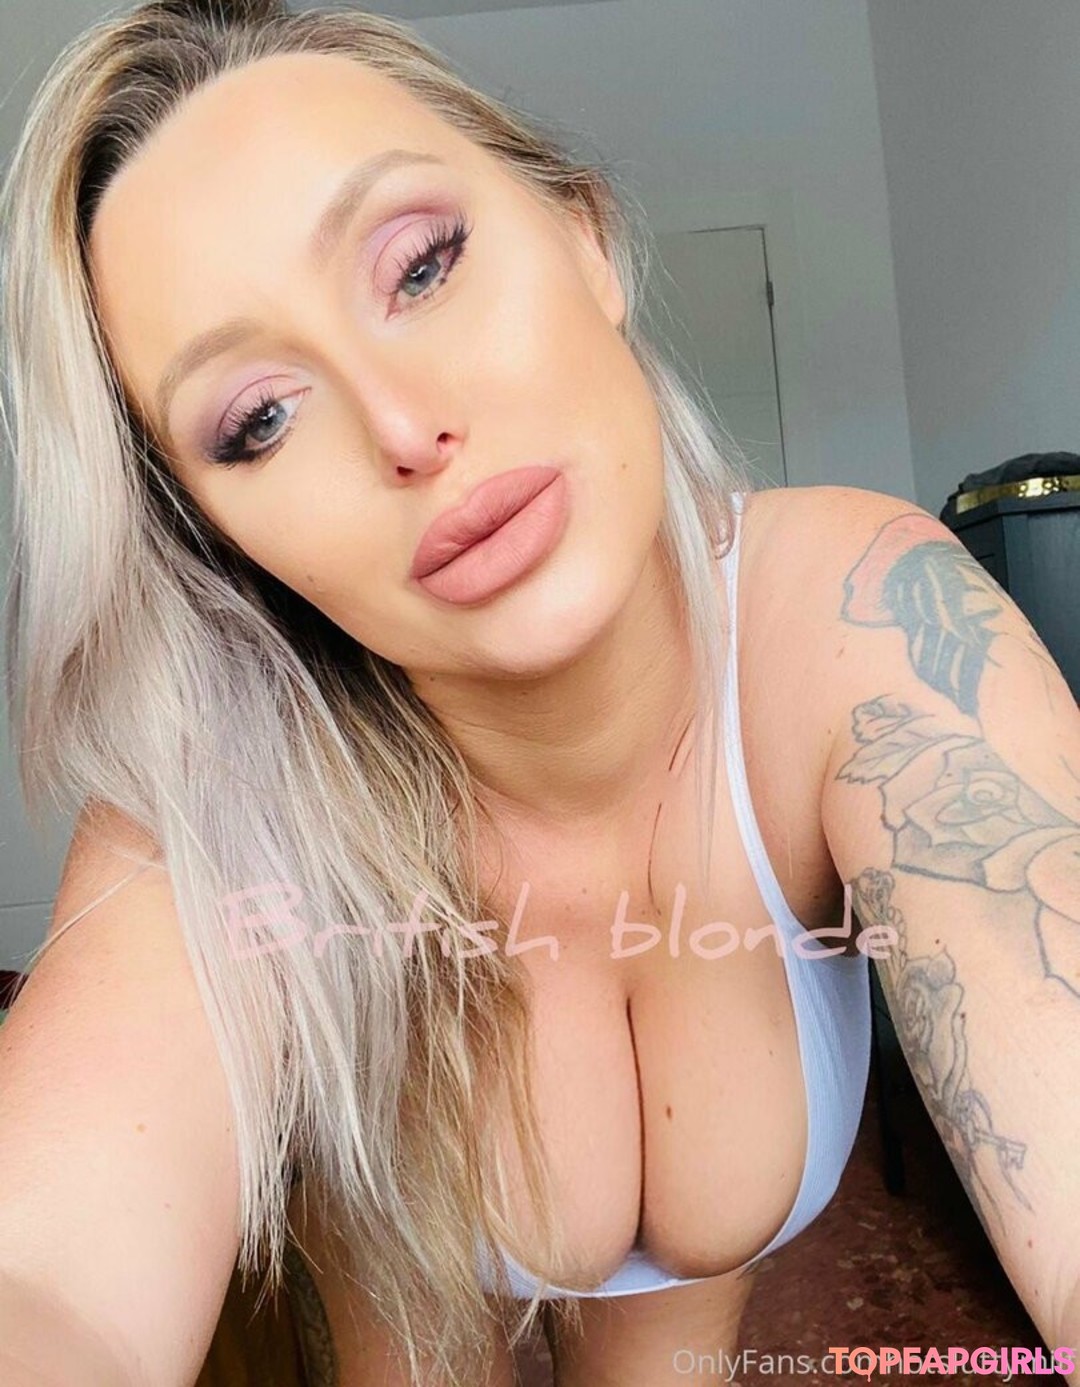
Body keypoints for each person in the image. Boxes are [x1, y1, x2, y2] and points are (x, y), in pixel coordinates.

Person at [0, 1, 1078, 1384]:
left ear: (586, 240)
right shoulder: (215, 794)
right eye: (257, 418)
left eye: (422, 265)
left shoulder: (858, 616)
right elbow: (51, 1283)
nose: (404, 427)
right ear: (216, 536)